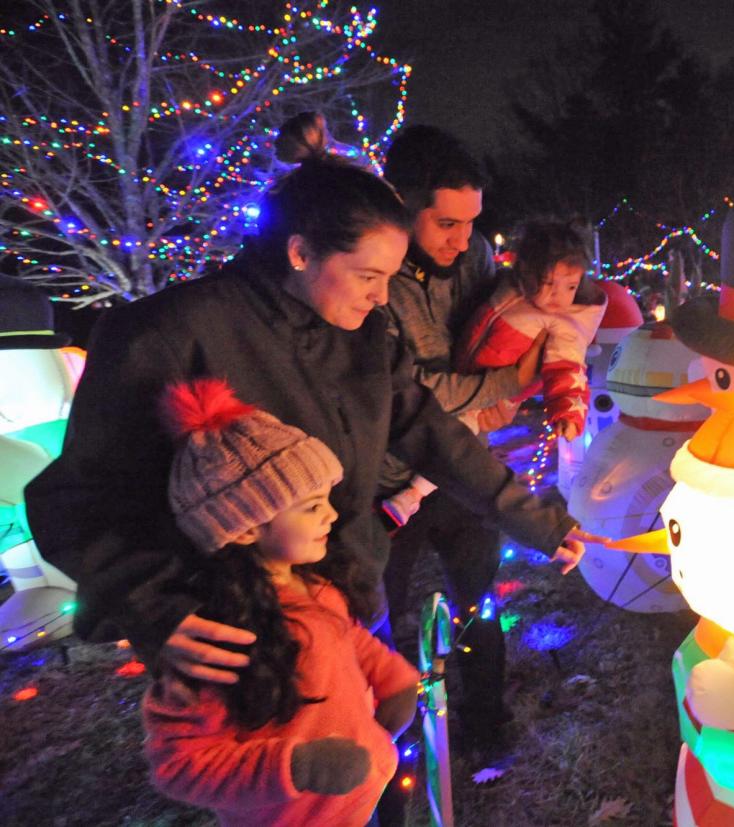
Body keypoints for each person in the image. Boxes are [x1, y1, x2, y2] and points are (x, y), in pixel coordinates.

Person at [24, 112, 597, 690]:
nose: (380, 300)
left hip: (349, 599)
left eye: (390, 279)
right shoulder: (167, 334)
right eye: (368, 277)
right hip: (243, 629)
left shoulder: (361, 334)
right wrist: (155, 605)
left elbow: (426, 426)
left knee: (374, 754)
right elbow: (77, 500)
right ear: (300, 252)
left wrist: (535, 519)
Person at [142, 377, 420, 827]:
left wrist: (392, 678)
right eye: (312, 506)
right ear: (247, 526)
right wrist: (296, 767)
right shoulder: (216, 637)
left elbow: (343, 642)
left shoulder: (315, 588)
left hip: (364, 794)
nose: (332, 515)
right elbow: (179, 765)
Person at [376, 125, 542, 752]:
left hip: (463, 461)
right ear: (401, 203)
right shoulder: (373, 278)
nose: (462, 239)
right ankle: (387, 738)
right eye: (446, 222)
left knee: (479, 593)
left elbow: (486, 344)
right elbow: (408, 391)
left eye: (471, 222)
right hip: (389, 478)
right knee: (381, 612)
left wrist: (500, 393)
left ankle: (483, 722)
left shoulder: (471, 259)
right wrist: (501, 385)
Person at [380, 219, 607, 526]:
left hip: (491, 400)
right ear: (525, 272)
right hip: (469, 377)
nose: (559, 297)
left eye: (570, 287)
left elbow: (567, 369)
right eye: (548, 283)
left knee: (456, 442)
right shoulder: (508, 287)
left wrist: (567, 411)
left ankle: (411, 497)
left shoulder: (561, 323)